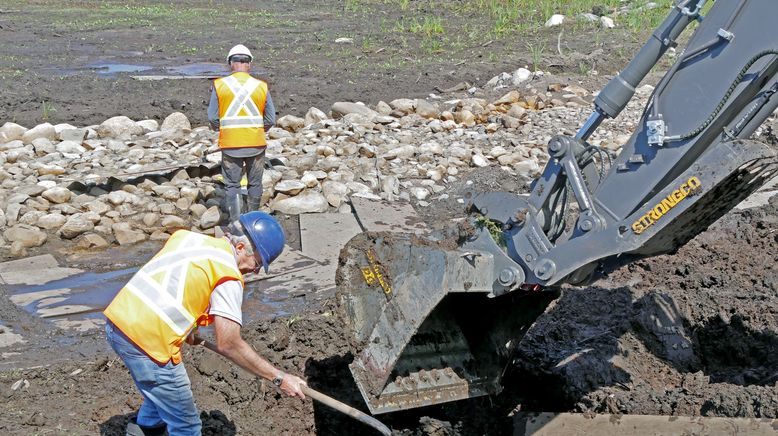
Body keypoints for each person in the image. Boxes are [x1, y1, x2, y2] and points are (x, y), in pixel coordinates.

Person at [104, 211, 306, 436]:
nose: (256, 270)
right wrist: (279, 378)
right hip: (148, 343)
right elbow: (228, 343)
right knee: (187, 426)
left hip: (118, 323)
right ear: (240, 248)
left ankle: (142, 430)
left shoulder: (188, 238)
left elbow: (177, 283)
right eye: (257, 262)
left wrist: (188, 326)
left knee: (163, 392)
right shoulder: (227, 275)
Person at [208, 44, 276, 222]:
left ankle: (236, 222)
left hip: (231, 145)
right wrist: (256, 130)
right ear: (249, 64)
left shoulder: (220, 85)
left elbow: (212, 118)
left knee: (232, 185)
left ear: (231, 64)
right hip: (256, 143)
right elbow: (270, 119)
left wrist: (226, 130)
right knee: (255, 184)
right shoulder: (261, 86)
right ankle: (253, 220)